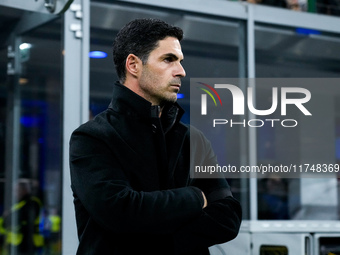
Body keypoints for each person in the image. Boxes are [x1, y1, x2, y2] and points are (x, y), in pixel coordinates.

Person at [69, 18, 242, 255]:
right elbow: (121, 212)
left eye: (180, 61)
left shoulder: (193, 139)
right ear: (133, 65)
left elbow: (228, 217)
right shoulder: (92, 138)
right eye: (168, 59)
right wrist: (194, 197)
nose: (181, 71)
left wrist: (153, 238)